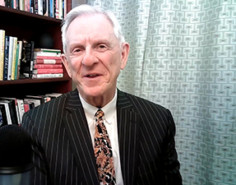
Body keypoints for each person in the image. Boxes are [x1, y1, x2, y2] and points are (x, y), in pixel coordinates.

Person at [22, 4, 182, 185]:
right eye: (77, 49)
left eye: (101, 46)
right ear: (67, 65)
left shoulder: (159, 121)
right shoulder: (37, 125)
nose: (89, 60)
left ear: (123, 54)